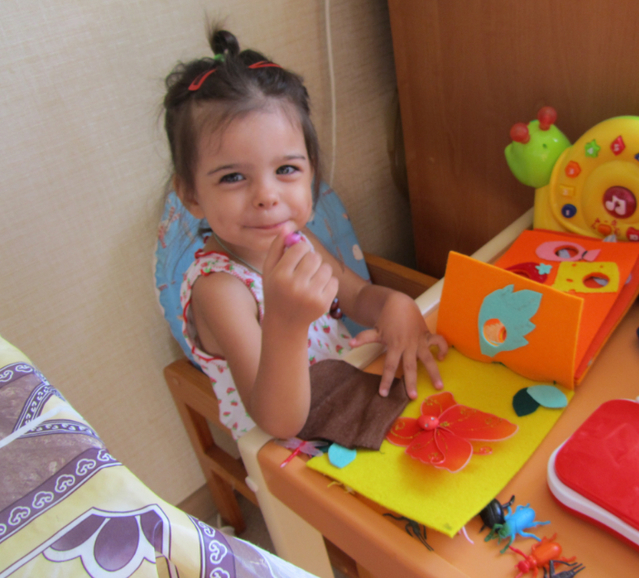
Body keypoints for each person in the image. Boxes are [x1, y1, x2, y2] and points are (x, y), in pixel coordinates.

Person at [163, 28, 447, 440]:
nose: (266, 196)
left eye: (286, 169)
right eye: (233, 177)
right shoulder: (220, 290)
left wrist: (396, 306)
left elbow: (358, 297)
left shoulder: (300, 242)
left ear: (311, 170)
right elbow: (279, 422)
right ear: (191, 194)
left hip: (347, 403)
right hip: (292, 453)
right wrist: (286, 322)